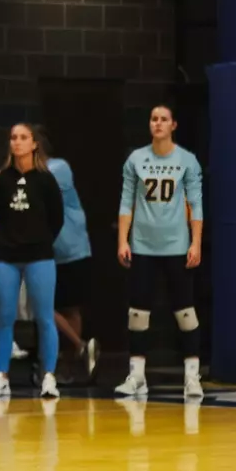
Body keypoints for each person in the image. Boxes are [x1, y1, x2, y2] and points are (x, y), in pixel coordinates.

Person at [116, 104, 205, 398]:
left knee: (185, 312)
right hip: (143, 246)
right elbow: (127, 201)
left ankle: (192, 377)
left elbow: (196, 204)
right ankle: (137, 376)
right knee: (138, 313)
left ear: (173, 125)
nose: (158, 123)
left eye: (163, 119)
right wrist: (123, 240)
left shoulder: (187, 160)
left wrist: (195, 242)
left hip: (177, 246)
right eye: (153, 119)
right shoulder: (136, 159)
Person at [0, 123, 64, 399]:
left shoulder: (46, 180)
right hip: (7, 256)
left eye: (23, 137)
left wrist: (39, 240)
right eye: (13, 137)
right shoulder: (1, 180)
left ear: (34, 144)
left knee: (44, 317)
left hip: (39, 256)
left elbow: (57, 218)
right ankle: (2, 375)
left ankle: (49, 376)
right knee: (5, 317)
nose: (17, 142)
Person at [33, 125, 95, 380]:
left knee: (70, 308)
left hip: (71, 247)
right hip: (45, 251)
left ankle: (71, 364)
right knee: (42, 305)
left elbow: (37, 191)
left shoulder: (58, 168)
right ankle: (81, 347)